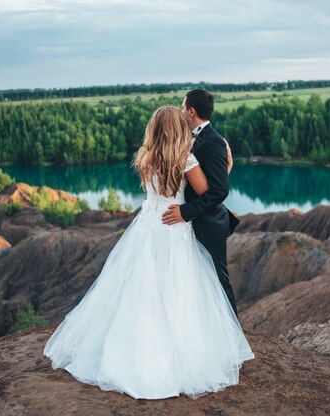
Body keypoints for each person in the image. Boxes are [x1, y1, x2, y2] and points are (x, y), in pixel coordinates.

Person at [43, 105, 254, 400]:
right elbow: (209, 191)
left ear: (153, 130)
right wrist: (227, 168)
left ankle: (131, 354)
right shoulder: (186, 159)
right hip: (173, 228)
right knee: (177, 289)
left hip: (147, 225)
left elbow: (153, 193)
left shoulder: (145, 157)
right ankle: (178, 356)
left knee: (140, 289)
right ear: (178, 130)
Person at [162, 89, 241, 317]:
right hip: (191, 225)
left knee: (217, 281)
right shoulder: (186, 138)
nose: (180, 110)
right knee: (197, 282)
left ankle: (233, 335)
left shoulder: (214, 142)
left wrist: (185, 212)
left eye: (182, 106)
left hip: (209, 224)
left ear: (191, 111)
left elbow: (219, 191)